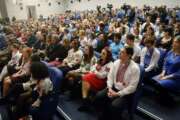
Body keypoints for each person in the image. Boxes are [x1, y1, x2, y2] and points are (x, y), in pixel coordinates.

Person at [94, 46, 140, 120]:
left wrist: (118, 94)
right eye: (120, 51)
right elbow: (110, 76)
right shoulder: (116, 62)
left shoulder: (135, 68)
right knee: (98, 96)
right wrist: (109, 88)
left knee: (115, 106)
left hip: (125, 93)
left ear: (129, 55)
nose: (119, 53)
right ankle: (103, 115)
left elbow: (132, 87)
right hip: (113, 88)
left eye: (122, 52)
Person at [78, 47, 113, 111]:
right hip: (94, 77)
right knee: (85, 80)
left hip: (102, 82)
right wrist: (95, 72)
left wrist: (95, 72)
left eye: (103, 53)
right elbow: (92, 68)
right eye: (101, 53)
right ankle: (85, 102)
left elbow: (102, 76)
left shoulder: (110, 64)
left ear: (108, 55)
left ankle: (85, 102)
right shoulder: (100, 60)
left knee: (85, 78)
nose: (101, 54)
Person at [153, 35, 180, 102]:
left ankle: (169, 99)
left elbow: (179, 73)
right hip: (166, 74)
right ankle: (163, 96)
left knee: (158, 85)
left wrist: (166, 77)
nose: (173, 43)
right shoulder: (171, 52)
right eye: (173, 42)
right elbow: (165, 63)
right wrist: (163, 72)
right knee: (153, 81)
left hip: (175, 79)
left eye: (176, 42)